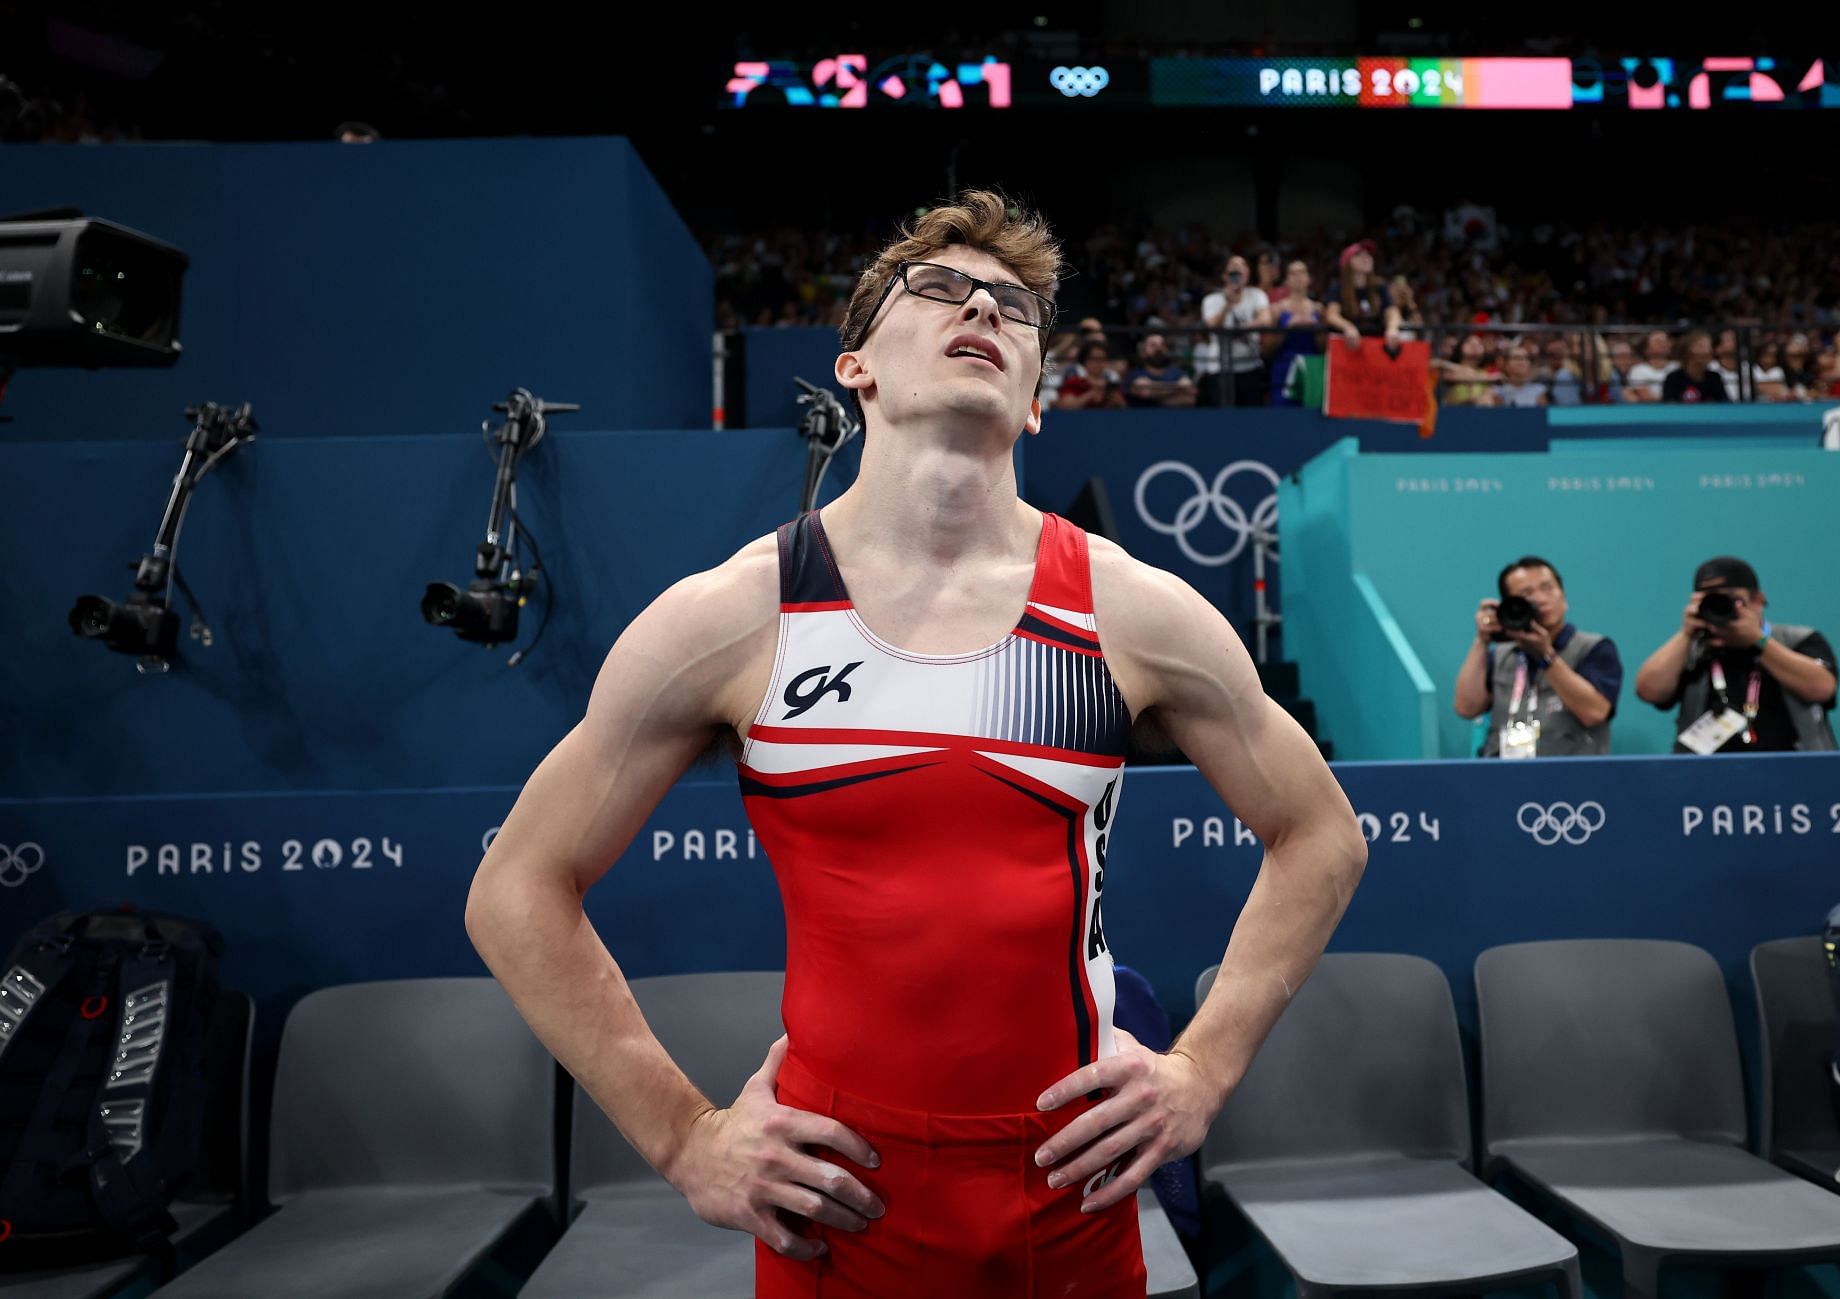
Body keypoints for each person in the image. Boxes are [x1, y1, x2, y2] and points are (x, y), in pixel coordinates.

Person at [464, 191, 1368, 1299]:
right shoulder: (735, 617)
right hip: (838, 1209)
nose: (983, 306)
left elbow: (1321, 833)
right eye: (939, 287)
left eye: (1017, 306)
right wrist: (684, 1136)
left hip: (1065, 1201)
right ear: (857, 367)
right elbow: (516, 886)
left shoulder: (1132, 613)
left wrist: (1203, 1068)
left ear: (1037, 399)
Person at [1633, 556, 1838, 753]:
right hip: (1704, 775)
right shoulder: (1694, 649)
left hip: (1793, 770)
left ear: (1758, 599)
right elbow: (1648, 691)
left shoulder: (1797, 640)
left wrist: (1758, 642)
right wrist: (1686, 634)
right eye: (1709, 599)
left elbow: (1822, 688)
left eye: (1730, 598)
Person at [1453, 557, 1621, 757]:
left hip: (1571, 777)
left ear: (1563, 597)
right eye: (1526, 594)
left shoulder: (1593, 648)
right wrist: (1481, 641)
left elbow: (1594, 713)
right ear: (1511, 605)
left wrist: (1545, 656)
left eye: (1547, 588)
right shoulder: (1501, 655)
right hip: (1504, 775)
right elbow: (1466, 708)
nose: (1541, 599)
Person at [1194, 254, 1271, 406]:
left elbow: (1266, 319)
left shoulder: (1257, 295)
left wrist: (1243, 328)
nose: (1237, 267)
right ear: (1224, 276)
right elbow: (1212, 325)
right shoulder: (1212, 299)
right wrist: (1227, 304)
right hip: (1220, 369)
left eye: (1242, 265)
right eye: (1233, 266)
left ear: (1247, 274)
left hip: (1250, 366)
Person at [1323, 240, 1404, 351]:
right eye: (1359, 255)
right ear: (1348, 262)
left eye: (1368, 255)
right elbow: (1332, 315)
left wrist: (1392, 328)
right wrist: (1348, 327)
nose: (1366, 258)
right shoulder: (1338, 287)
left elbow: (1392, 311)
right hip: (1348, 347)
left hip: (1375, 345)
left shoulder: (1379, 286)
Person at [1264, 258, 1324, 406]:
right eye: (1293, 273)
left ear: (1309, 279)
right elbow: (1266, 349)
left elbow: (1324, 347)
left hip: (1311, 369)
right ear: (1286, 281)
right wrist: (1287, 328)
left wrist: (1316, 329)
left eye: (1302, 273)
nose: (1298, 277)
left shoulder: (1319, 309)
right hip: (1284, 369)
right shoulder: (1276, 309)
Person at [1126, 333, 1196, 407]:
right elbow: (1145, 392)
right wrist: (1179, 388)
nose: (1159, 349)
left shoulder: (1177, 372)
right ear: (1142, 353)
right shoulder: (1135, 374)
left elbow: (1191, 394)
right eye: (1153, 345)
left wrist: (1155, 393)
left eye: (1162, 345)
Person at [1054, 339, 1127, 410]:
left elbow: (1126, 409)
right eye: (1094, 359)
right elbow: (1065, 407)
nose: (1099, 363)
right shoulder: (1074, 382)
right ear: (1084, 361)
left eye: (1103, 359)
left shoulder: (1112, 384)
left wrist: (1117, 399)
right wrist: (1090, 395)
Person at [1661, 331, 1728, 403]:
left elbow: (1725, 406)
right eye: (1701, 346)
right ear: (1687, 351)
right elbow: (1669, 407)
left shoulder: (1714, 378)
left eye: (1709, 347)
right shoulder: (1673, 379)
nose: (1707, 351)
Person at [1624, 330, 1676, 402]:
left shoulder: (1677, 367)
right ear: (1646, 349)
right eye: (1658, 342)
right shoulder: (1638, 370)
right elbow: (1646, 397)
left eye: (1666, 341)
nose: (1664, 344)